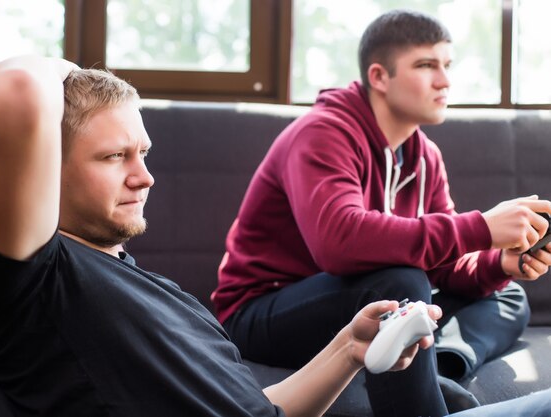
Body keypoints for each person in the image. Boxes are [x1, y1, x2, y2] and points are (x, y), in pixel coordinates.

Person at [0, 54, 441, 417]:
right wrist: (75, 75)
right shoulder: (35, 274)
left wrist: (348, 350)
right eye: (113, 156)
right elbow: (16, 87)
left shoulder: (157, 291)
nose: (144, 176)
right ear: (47, 171)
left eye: (142, 152)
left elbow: (257, 409)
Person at [212, 9, 551, 417]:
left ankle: (438, 363)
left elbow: (444, 267)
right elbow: (339, 242)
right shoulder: (322, 133)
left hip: (364, 303)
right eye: (426, 65)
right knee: (399, 284)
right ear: (379, 76)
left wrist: (500, 263)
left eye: (447, 65)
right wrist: (480, 227)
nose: (444, 80)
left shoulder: (425, 156)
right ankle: (425, 398)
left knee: (507, 293)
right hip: (264, 311)